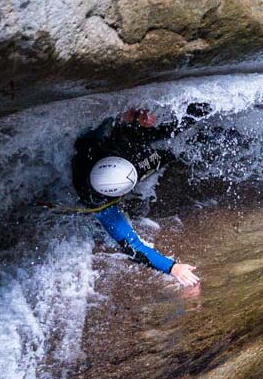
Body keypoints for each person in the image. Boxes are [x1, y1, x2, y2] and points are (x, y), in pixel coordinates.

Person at [70, 105, 209, 290]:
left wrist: (133, 115)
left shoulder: (97, 149)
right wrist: (173, 268)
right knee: (168, 154)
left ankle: (205, 108)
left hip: (118, 147)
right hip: (117, 156)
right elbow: (133, 247)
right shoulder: (99, 202)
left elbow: (107, 122)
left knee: (162, 132)